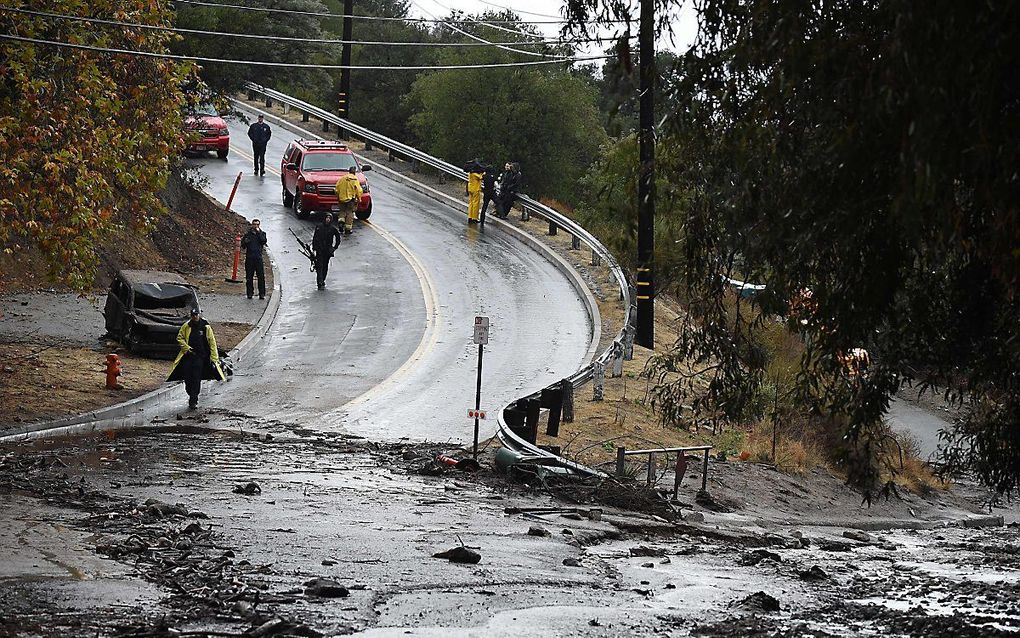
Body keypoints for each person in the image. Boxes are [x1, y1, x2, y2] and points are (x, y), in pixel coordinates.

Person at [167, 307, 225, 410]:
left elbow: (212, 342)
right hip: (188, 356)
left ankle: (194, 399)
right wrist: (187, 348)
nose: (195, 317)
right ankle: (190, 393)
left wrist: (214, 357)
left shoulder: (205, 327)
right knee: (188, 377)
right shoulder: (186, 326)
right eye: (193, 315)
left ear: (199, 315)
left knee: (196, 377)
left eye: (196, 315)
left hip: (201, 357)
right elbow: (180, 338)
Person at [312, 212, 343, 289]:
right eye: (326, 218)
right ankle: (320, 281)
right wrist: (314, 248)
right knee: (319, 266)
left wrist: (334, 247)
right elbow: (315, 238)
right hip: (319, 250)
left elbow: (338, 238)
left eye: (329, 218)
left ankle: (323, 279)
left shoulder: (332, 229)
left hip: (327, 251)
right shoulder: (319, 227)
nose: (328, 220)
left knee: (325, 266)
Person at [240, 218, 267, 300]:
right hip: (250, 258)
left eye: (257, 225)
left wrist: (258, 233)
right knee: (249, 277)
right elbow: (243, 246)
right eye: (254, 224)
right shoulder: (248, 234)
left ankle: (262, 293)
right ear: (252, 225)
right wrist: (246, 241)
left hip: (258, 258)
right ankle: (249, 293)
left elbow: (263, 241)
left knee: (261, 276)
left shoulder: (262, 234)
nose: (255, 226)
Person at [334, 167, 363, 235]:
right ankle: (348, 229)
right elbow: (359, 190)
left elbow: (336, 189)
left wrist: (338, 196)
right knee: (350, 213)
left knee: (342, 211)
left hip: (342, 199)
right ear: (354, 172)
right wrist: (359, 199)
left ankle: (341, 222)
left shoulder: (342, 178)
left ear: (349, 171)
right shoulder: (355, 179)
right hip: (351, 200)